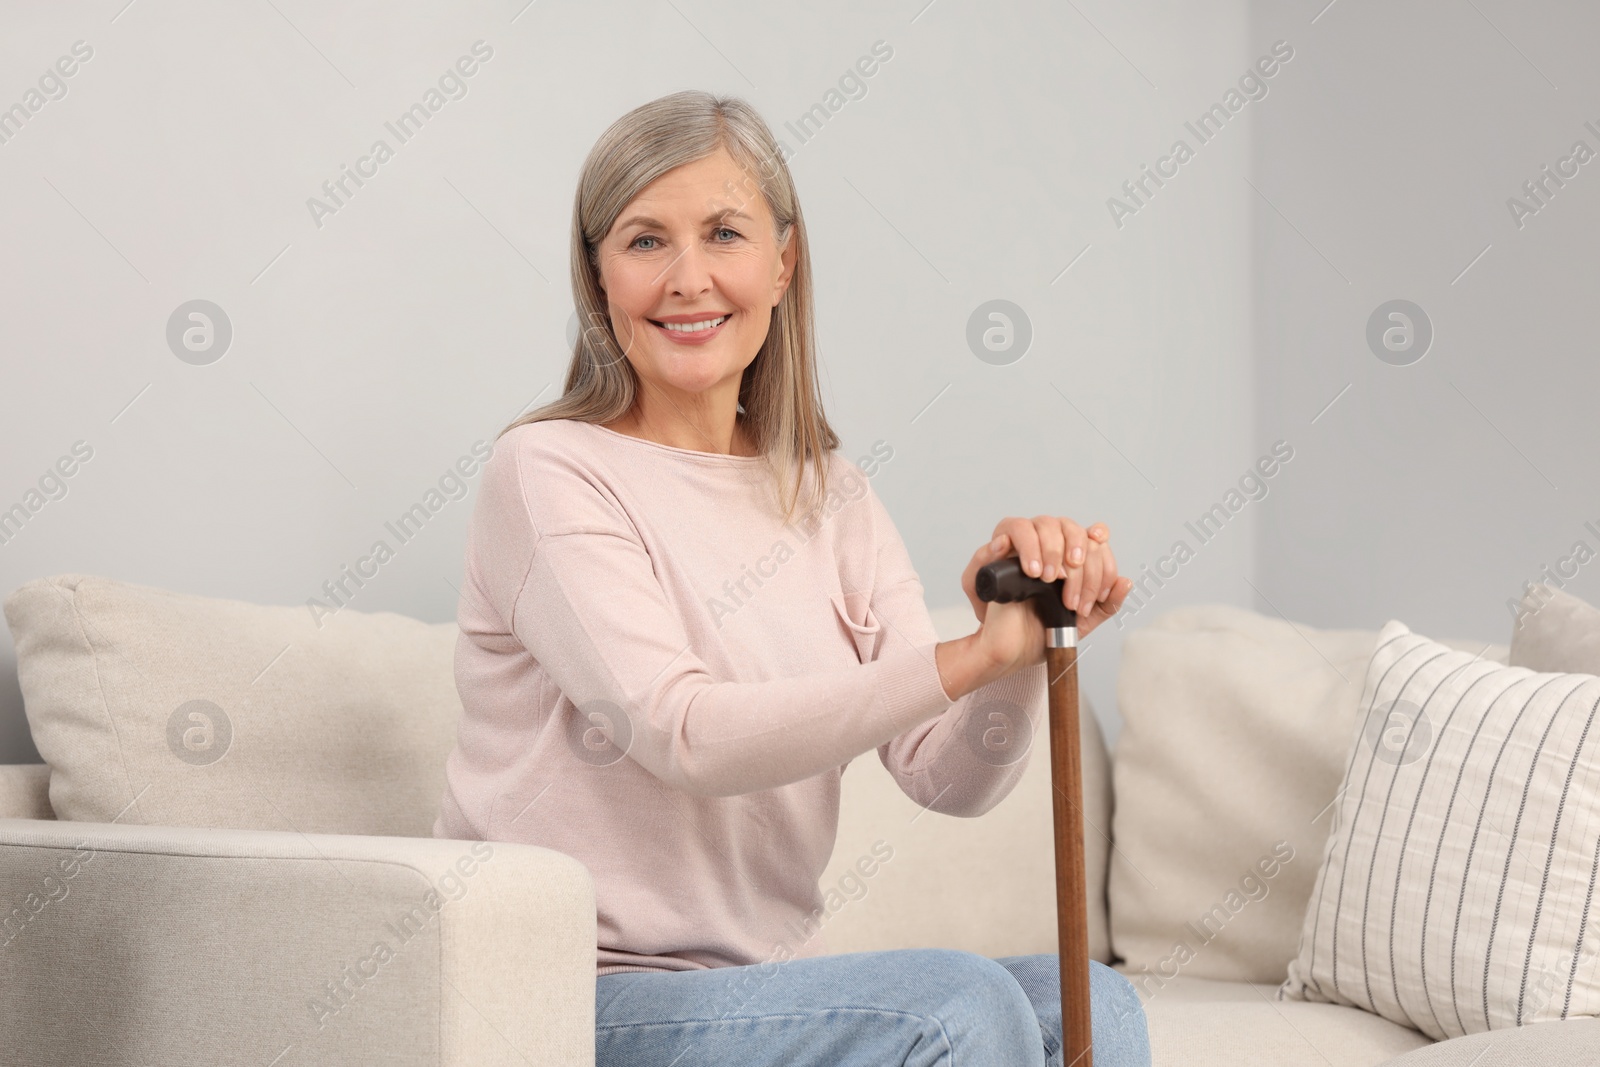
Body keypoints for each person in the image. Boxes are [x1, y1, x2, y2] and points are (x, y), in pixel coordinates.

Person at [433, 88, 1150, 1067]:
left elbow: (946, 776)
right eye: (646, 241)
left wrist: (1018, 647)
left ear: (781, 261)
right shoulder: (552, 471)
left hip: (758, 990)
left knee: (1088, 1002)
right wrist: (963, 653)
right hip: (574, 998)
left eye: (723, 233)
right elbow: (682, 732)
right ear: (598, 275)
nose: (688, 278)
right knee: (954, 1005)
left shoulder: (829, 494)